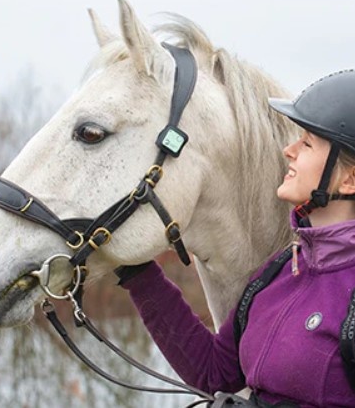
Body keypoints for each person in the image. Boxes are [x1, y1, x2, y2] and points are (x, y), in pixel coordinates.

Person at [115, 69, 355, 407]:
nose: (289, 150)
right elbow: (212, 372)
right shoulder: (278, 273)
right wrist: (135, 270)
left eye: (307, 144)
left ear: (349, 180)